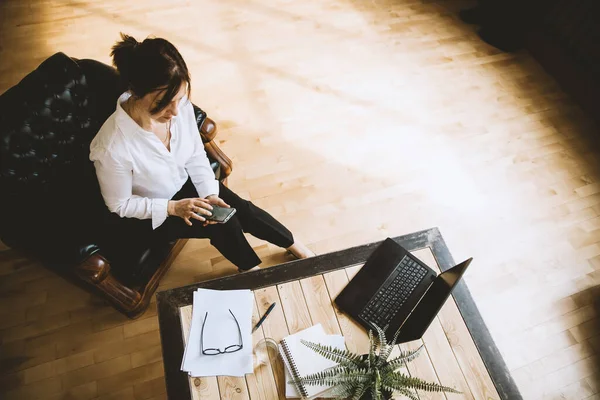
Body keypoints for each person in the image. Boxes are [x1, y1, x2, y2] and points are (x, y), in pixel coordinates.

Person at [90, 33, 314, 272]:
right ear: (135, 91)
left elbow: (196, 153)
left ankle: (295, 245)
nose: (175, 111)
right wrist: (173, 207)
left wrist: (209, 193)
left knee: (240, 209)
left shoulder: (180, 107)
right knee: (222, 225)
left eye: (180, 97)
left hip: (181, 182)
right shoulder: (111, 147)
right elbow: (120, 205)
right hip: (153, 211)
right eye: (163, 103)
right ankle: (250, 271)